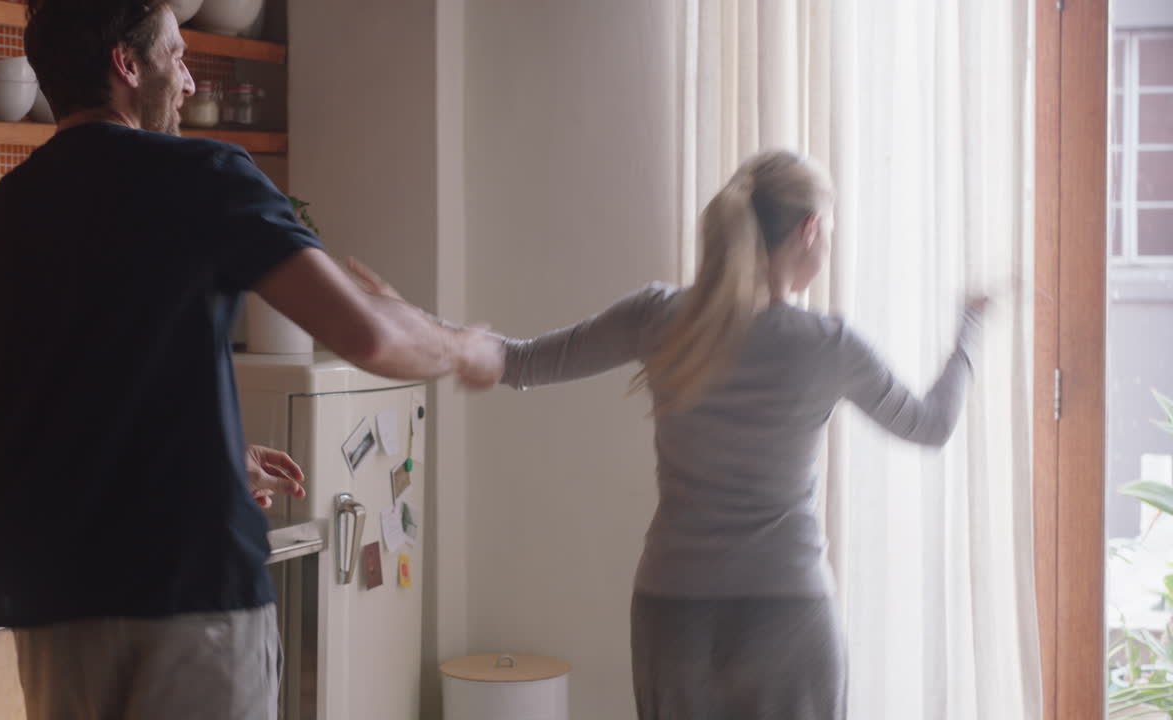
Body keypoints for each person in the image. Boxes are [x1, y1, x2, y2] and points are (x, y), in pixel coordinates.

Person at [0, 1, 502, 718]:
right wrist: (465, 346)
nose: (189, 81)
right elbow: (371, 339)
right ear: (126, 62)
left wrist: (207, 455)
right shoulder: (203, 174)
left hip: (53, 612)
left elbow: (53, 413)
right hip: (188, 595)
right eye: (176, 55)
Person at [356, 149, 987, 719]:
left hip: (673, 611)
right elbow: (931, 425)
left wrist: (410, 320)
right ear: (810, 231)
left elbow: (517, 362)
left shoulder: (660, 316)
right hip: (787, 615)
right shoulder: (829, 346)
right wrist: (968, 331)